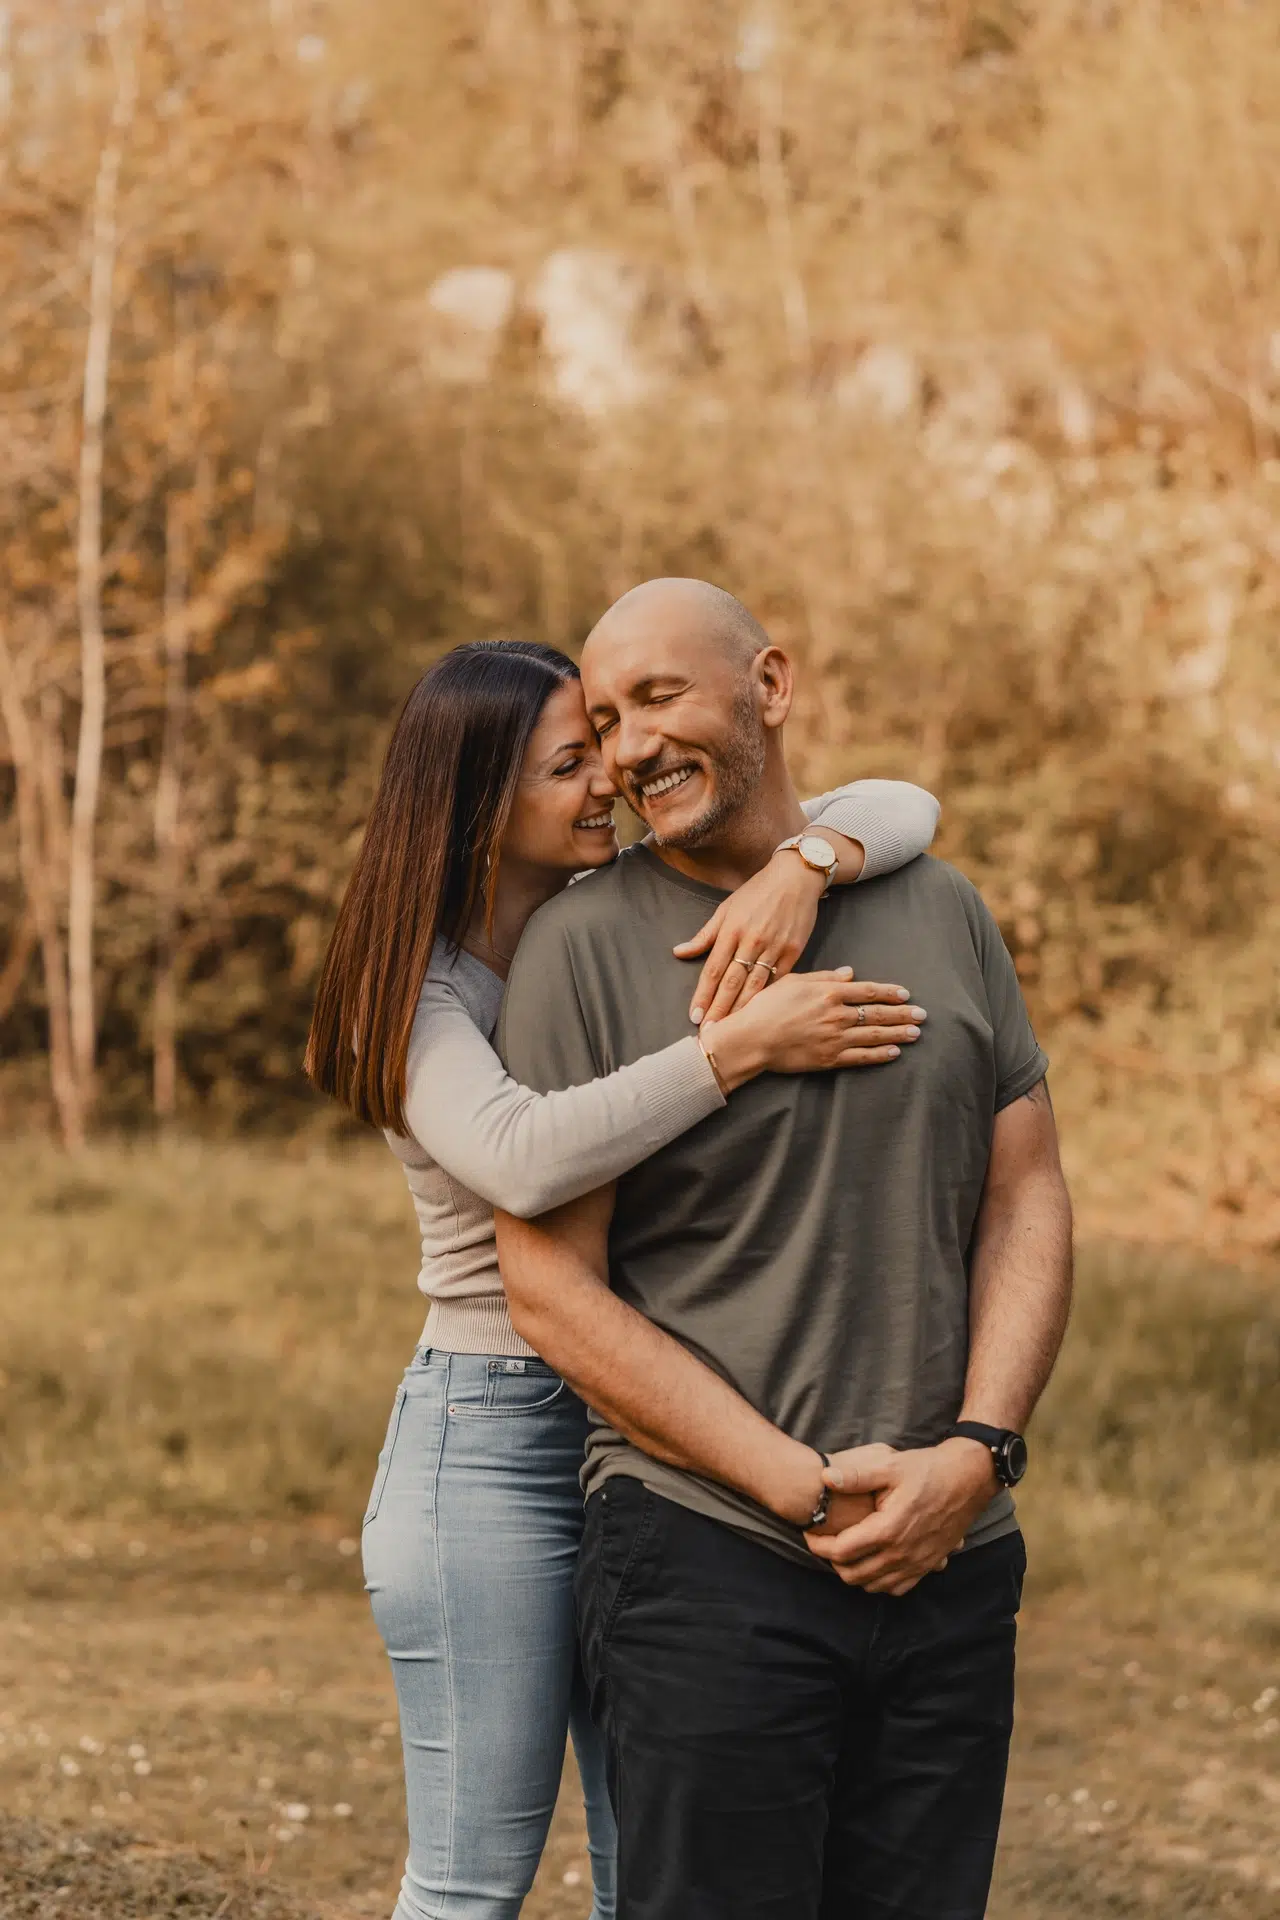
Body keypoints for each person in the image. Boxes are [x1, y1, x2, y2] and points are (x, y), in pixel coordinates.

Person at [304, 635, 942, 1920]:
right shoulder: (421, 990)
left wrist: (803, 865)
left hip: (646, 1428)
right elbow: (522, 1162)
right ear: (478, 799)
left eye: (598, 744)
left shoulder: (609, 912)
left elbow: (903, 805)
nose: (608, 778)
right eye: (566, 763)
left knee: (645, 1868)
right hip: (489, 1443)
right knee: (471, 1882)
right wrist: (739, 1050)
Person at [494, 582, 1075, 1920]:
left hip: (953, 1549)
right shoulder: (577, 950)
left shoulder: (945, 907)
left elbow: (1025, 1193)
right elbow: (551, 1289)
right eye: (603, 720)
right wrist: (803, 1493)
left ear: (770, 685)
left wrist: (976, 1454)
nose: (630, 748)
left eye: (659, 699)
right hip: (708, 1550)